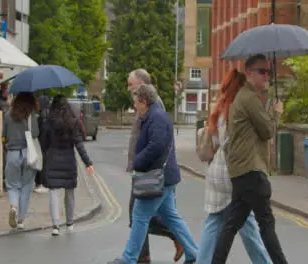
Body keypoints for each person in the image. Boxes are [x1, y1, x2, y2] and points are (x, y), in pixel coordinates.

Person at [109, 84, 197, 264]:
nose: (134, 106)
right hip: (165, 176)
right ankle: (194, 252)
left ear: (143, 101)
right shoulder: (154, 115)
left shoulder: (156, 117)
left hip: (158, 177)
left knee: (140, 216)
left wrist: (137, 161)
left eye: (135, 102)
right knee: (171, 217)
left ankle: (129, 258)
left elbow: (157, 145)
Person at [211, 54, 287, 264]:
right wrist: (277, 112)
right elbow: (268, 131)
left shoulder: (243, 97)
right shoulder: (250, 98)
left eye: (268, 72)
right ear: (249, 74)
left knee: (232, 225)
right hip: (252, 171)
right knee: (266, 223)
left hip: (241, 172)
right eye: (262, 72)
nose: (267, 76)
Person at [195, 69, 271, 264]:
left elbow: (213, 143)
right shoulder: (240, 111)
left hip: (215, 174)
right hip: (233, 174)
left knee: (214, 221)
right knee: (249, 229)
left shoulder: (218, 111)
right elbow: (264, 134)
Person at [126, 69, 184, 263]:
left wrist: (141, 162)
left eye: (130, 84)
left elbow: (157, 143)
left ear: (142, 85)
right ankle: (143, 255)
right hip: (147, 169)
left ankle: (141, 256)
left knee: (139, 215)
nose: (128, 88)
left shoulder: (154, 106)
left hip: (152, 171)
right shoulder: (145, 104)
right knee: (148, 215)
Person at [40, 94, 94, 236]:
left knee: (54, 193)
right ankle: (70, 223)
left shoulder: (49, 121)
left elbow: (43, 142)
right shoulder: (73, 122)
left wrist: (46, 153)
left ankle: (56, 226)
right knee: (69, 193)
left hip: (52, 158)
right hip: (69, 160)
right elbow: (79, 144)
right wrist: (88, 162)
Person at [2, 92, 39, 229]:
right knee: (26, 187)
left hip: (12, 153)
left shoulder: (8, 115)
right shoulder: (31, 115)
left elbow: (4, 135)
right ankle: (21, 220)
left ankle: (13, 207)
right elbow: (36, 133)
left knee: (12, 185)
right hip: (28, 154)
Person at [34, 95, 51, 194]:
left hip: (42, 144)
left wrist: (41, 145)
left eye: (38, 103)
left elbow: (42, 131)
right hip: (47, 145)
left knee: (41, 163)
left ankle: (42, 183)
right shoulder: (48, 113)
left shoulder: (43, 115)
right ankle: (43, 183)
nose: (36, 105)